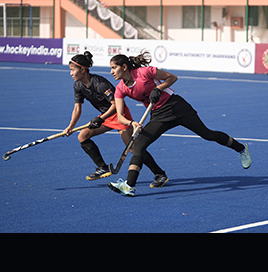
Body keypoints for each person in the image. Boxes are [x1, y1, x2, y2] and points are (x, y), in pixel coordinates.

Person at [107, 51, 251, 197]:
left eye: (114, 67)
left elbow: (172, 77)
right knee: (138, 145)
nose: (111, 72)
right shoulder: (120, 88)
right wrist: (132, 123)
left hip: (177, 107)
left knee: (207, 134)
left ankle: (241, 149)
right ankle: (130, 185)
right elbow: (120, 116)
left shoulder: (144, 72)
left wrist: (158, 88)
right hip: (158, 115)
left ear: (124, 67)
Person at [63, 52, 169, 188]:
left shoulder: (100, 83)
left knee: (132, 149)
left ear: (83, 70)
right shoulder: (78, 86)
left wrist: (100, 118)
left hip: (119, 114)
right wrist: (71, 126)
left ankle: (160, 174)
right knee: (83, 136)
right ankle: (102, 167)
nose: (71, 73)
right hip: (105, 117)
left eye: (73, 70)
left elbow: (115, 105)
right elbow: (77, 108)